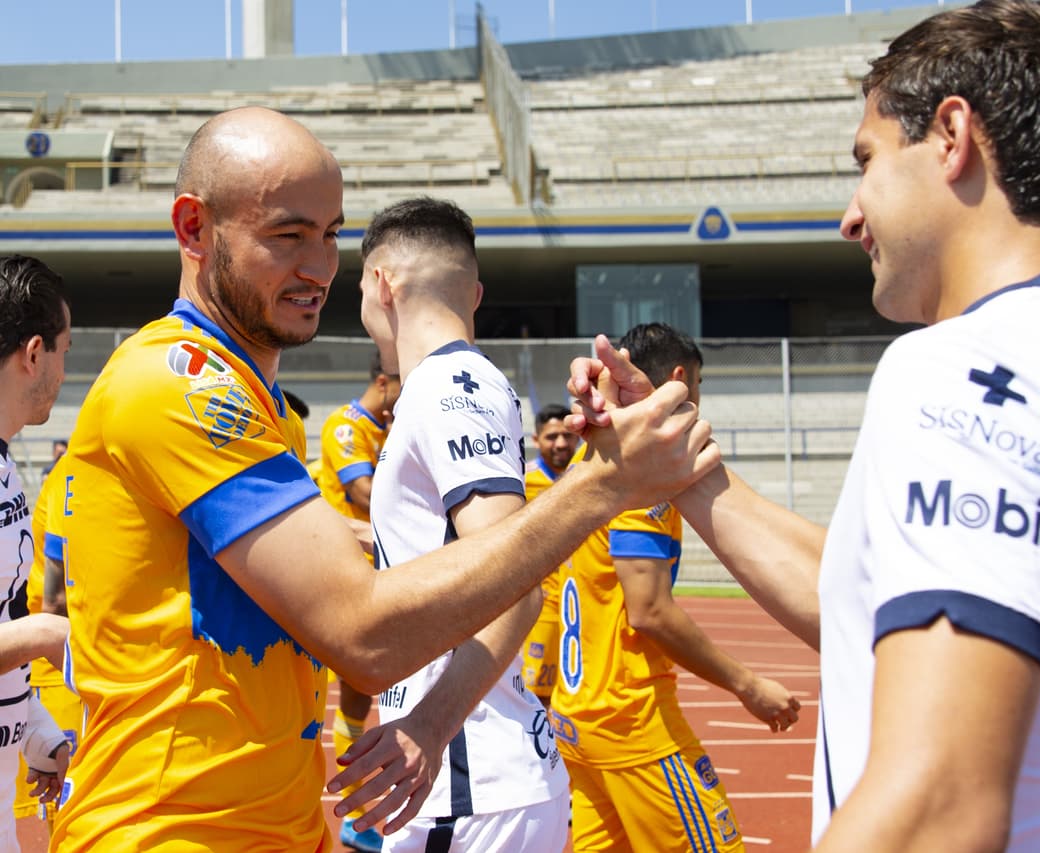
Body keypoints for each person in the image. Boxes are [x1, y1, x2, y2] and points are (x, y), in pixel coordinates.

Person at [567, 2, 1040, 849]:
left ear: (951, 135)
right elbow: (868, 601)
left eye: (866, 160)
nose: (851, 214)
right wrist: (680, 461)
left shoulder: (972, 367)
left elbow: (939, 799)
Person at [51, 107, 716, 852]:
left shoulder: (265, 406)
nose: (319, 267)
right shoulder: (176, 382)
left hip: (279, 820)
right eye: (287, 234)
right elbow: (362, 630)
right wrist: (601, 484)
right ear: (195, 229)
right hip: (167, 829)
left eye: (331, 233)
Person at [326, 196, 569, 851]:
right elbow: (445, 548)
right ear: (476, 293)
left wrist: (430, 726)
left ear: (381, 282)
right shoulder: (451, 384)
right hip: (471, 779)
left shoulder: (449, 386)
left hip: (470, 781)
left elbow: (515, 578)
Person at [554, 322, 800, 852]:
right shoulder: (642, 479)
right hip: (633, 720)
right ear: (683, 379)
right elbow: (649, 611)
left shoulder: (591, 458)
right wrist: (748, 685)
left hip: (580, 718)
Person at [0, 255, 76, 853]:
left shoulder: (9, 468)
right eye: (64, 351)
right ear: (33, 353)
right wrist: (48, 634)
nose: (64, 370)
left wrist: (37, 736)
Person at [315, 351, 401, 853]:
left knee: (370, 695)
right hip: (344, 575)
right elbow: (364, 493)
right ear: (384, 381)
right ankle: (359, 816)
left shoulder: (381, 429)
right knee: (358, 695)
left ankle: (364, 814)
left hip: (372, 571)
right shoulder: (346, 427)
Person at [12, 449, 83, 837]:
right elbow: (56, 599)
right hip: (60, 674)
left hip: (79, 673)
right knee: (46, 832)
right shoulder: (74, 473)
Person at [520, 403, 579, 707]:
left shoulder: (587, 476)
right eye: (552, 436)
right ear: (536, 440)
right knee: (537, 694)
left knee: (578, 689)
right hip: (539, 603)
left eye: (568, 436)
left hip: (580, 603)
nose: (560, 443)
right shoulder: (521, 481)